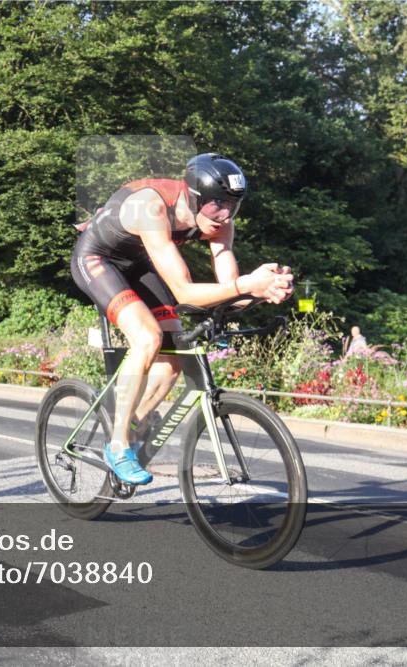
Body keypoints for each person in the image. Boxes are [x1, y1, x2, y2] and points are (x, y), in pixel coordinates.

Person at [71, 153, 293, 485]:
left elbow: (227, 292)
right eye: (216, 206)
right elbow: (185, 291)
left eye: (232, 206)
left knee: (173, 358)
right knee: (148, 338)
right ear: (193, 196)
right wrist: (246, 284)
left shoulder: (221, 223)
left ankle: (132, 423)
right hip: (98, 259)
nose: (223, 216)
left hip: (140, 262)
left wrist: (262, 290)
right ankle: (117, 446)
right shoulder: (152, 207)